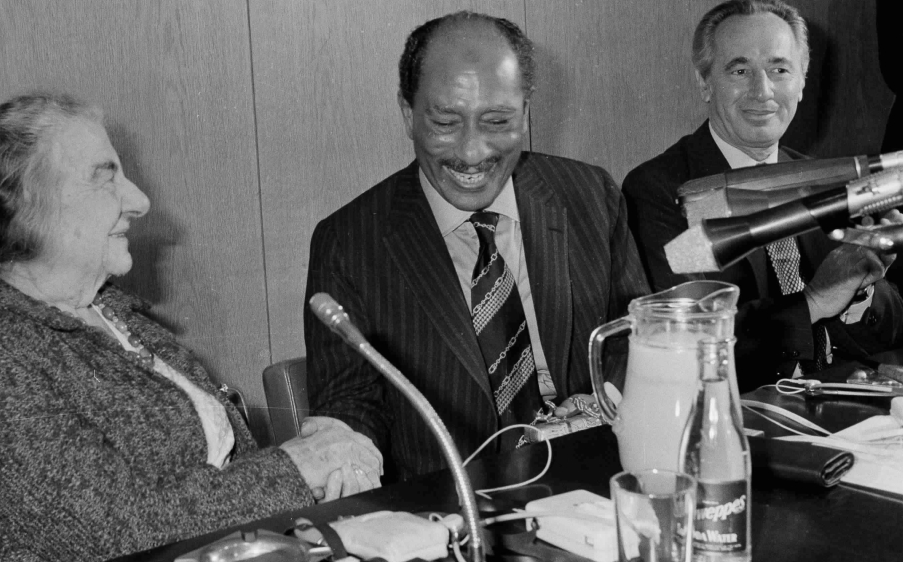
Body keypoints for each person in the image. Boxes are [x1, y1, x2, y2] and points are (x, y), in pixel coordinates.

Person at [0, 93, 381, 562]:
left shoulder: (116, 317)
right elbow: (118, 532)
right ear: (25, 207)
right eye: (106, 180)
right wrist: (299, 467)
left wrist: (321, 465)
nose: (139, 201)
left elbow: (224, 488)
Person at [304, 11, 649, 481]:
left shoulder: (589, 195)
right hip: (451, 506)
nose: (472, 152)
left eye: (496, 121)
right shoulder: (349, 242)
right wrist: (343, 452)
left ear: (525, 114)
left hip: (593, 477)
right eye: (446, 122)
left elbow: (636, 335)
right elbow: (352, 403)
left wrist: (601, 408)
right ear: (407, 114)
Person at [622, 0, 903, 390]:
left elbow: (890, 329)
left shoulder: (825, 177)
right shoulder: (661, 190)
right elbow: (695, 344)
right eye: (740, 70)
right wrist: (816, 300)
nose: (763, 90)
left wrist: (861, 287)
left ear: (802, 82)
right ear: (704, 82)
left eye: (779, 69)